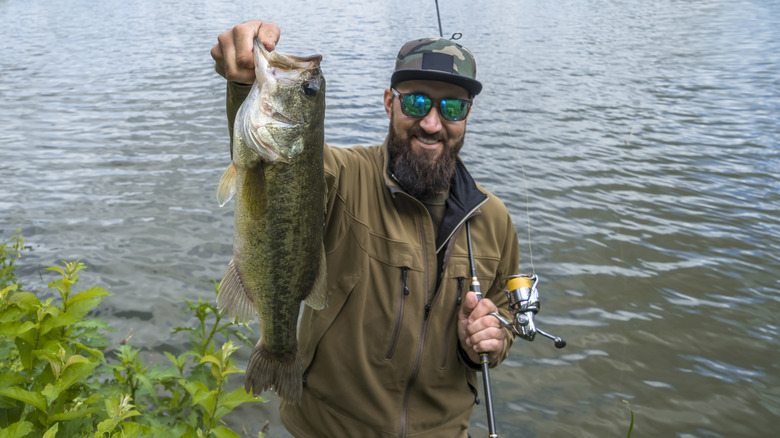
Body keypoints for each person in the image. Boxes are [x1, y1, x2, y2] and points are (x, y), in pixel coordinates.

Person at [211, 21, 521, 438]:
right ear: (388, 102)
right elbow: (273, 163)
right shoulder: (342, 176)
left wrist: (489, 340)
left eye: (451, 108)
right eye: (415, 103)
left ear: (466, 116)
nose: (432, 123)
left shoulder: (494, 219)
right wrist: (242, 84)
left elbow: (506, 314)